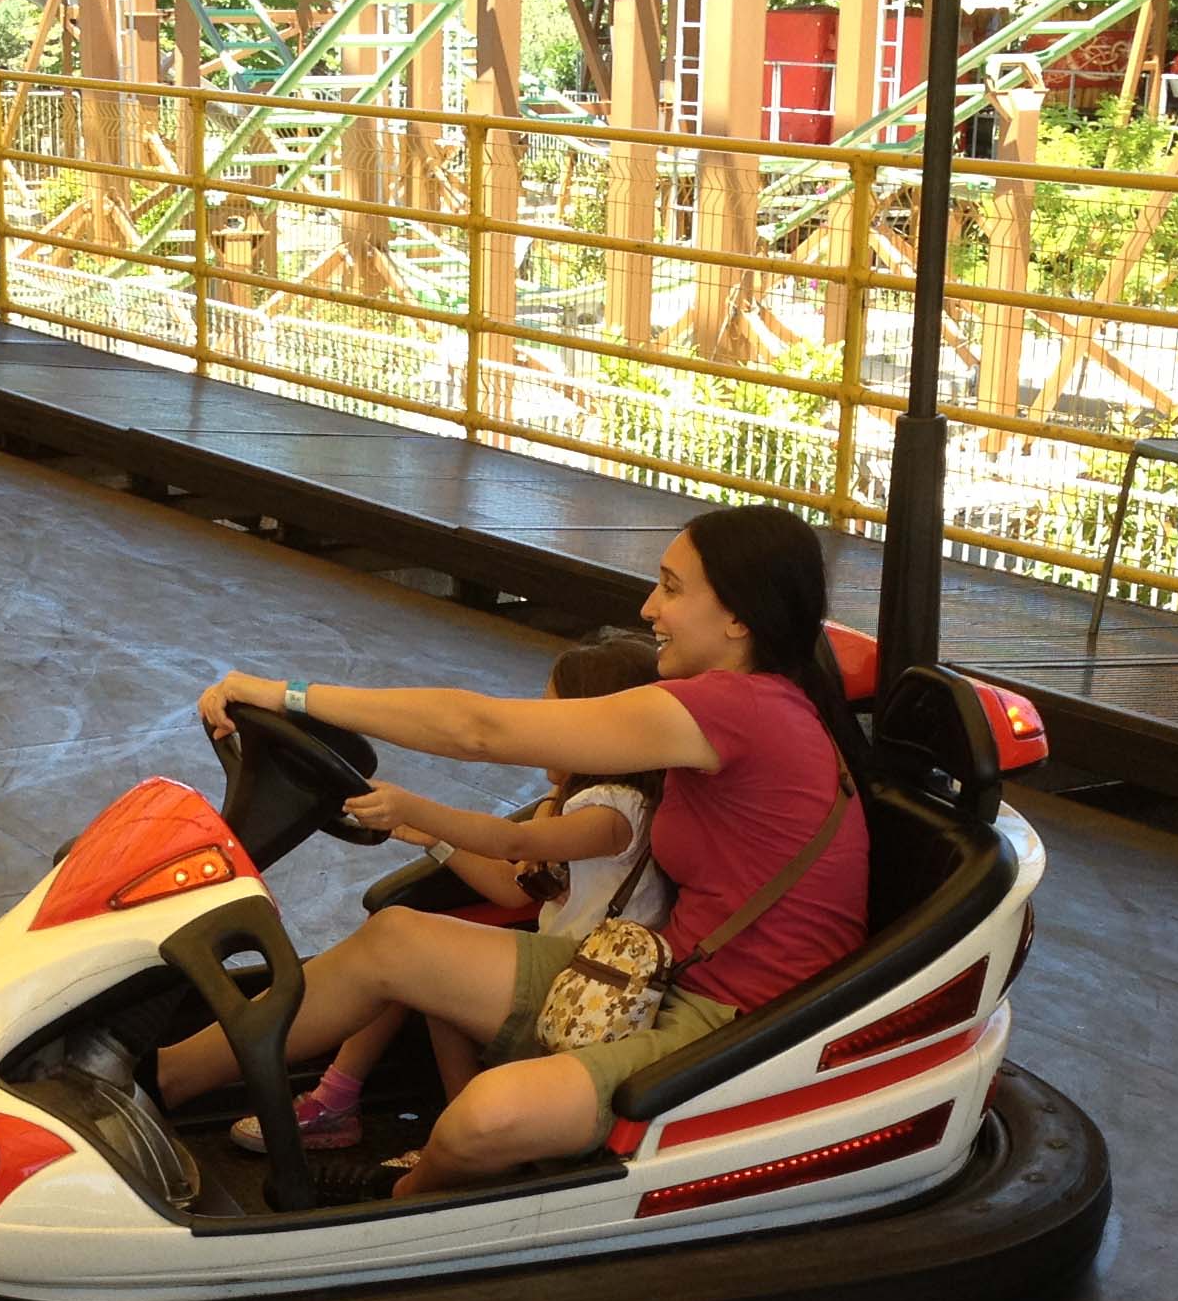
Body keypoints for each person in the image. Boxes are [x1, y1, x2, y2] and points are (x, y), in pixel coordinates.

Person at [159, 505, 871, 1199]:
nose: (650, 607)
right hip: (649, 970)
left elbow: (480, 731)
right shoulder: (749, 705)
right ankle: (154, 1080)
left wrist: (289, 696)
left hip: (736, 1027)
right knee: (397, 940)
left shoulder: (736, 709)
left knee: (483, 1118)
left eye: (673, 589)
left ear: (740, 618)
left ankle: (404, 1204)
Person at [230, 630, 670, 1154]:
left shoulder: (616, 812)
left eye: (551, 718)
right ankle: (376, 1107)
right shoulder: (570, 798)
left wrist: (418, 809)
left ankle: (396, 1121)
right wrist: (434, 838)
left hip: (593, 992)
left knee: (416, 960)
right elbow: (513, 890)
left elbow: (514, 843)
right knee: (426, 970)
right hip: (565, 964)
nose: (537, 732)